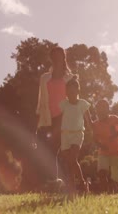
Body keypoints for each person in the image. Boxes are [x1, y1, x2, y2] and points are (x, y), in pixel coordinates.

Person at [36, 47, 75, 184]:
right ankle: (53, 180)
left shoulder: (70, 78)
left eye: (60, 56)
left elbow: (74, 99)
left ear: (64, 58)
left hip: (63, 118)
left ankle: (65, 181)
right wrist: (38, 122)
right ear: (51, 59)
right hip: (48, 119)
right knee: (49, 150)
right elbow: (41, 102)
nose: (57, 59)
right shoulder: (44, 78)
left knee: (59, 149)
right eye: (54, 56)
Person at [59, 76, 92, 196]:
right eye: (68, 92)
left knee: (73, 159)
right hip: (65, 136)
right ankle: (72, 187)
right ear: (66, 93)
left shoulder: (82, 104)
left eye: (73, 91)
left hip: (77, 135)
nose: (71, 94)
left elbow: (89, 120)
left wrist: (94, 132)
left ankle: (82, 184)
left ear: (78, 91)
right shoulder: (63, 104)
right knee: (70, 163)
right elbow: (58, 119)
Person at [93, 99, 118, 193]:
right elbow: (95, 139)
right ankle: (104, 192)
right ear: (96, 111)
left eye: (103, 108)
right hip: (103, 153)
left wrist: (116, 134)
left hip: (116, 152)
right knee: (102, 173)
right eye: (99, 109)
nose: (101, 111)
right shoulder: (96, 124)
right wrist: (101, 145)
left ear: (107, 110)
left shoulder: (113, 119)